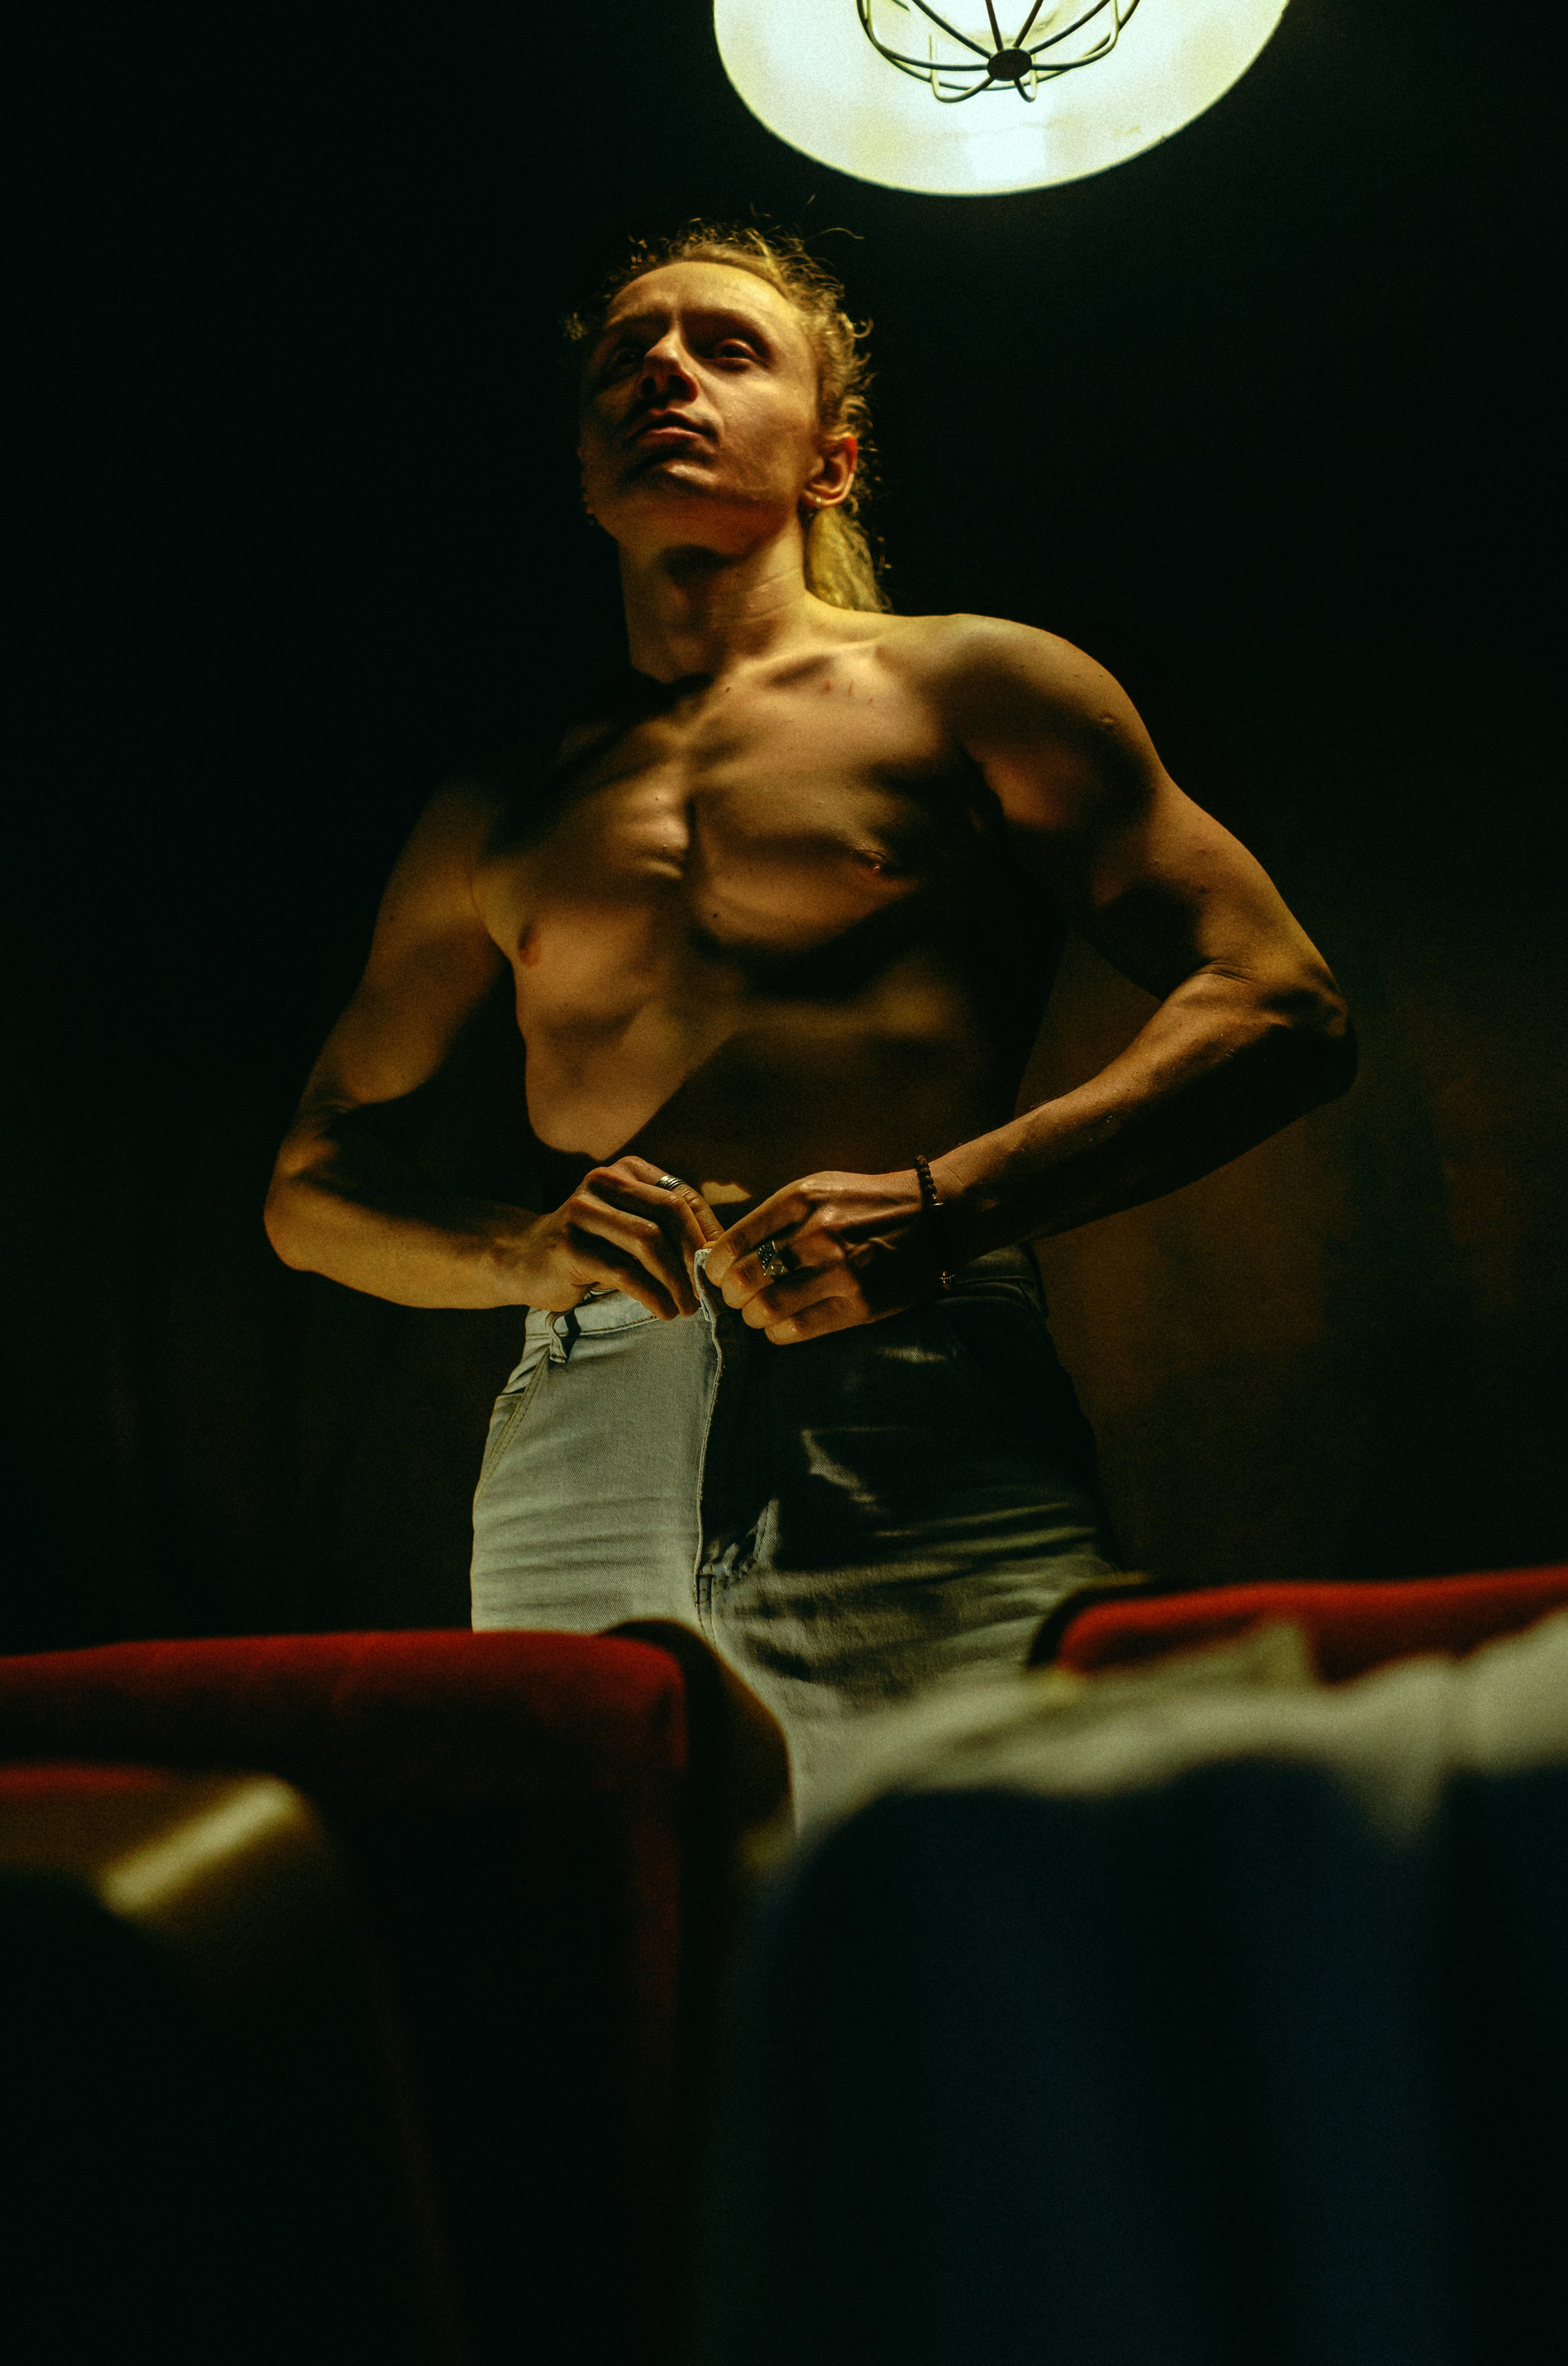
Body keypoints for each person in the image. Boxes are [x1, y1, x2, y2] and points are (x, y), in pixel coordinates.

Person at [265, 225, 1355, 1814]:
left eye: (727, 347)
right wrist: (517, 1254)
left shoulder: (975, 688)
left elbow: (1282, 1000)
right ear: (585, 475)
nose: (664, 369)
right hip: (578, 1427)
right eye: (627, 356)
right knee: (603, 1928)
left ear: (830, 460)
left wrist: (948, 1203)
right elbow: (309, 1189)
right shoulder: (496, 808)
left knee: (989, 1902)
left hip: (916, 1389)